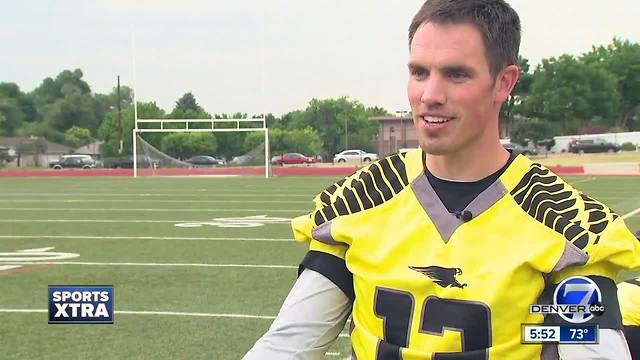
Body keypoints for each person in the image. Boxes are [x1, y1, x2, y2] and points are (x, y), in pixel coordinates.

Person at [243, 0, 640, 358]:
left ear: (504, 82)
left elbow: (590, 350)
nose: (430, 94)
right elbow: (289, 345)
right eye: (419, 72)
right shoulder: (363, 197)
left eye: (456, 75)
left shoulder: (562, 221)